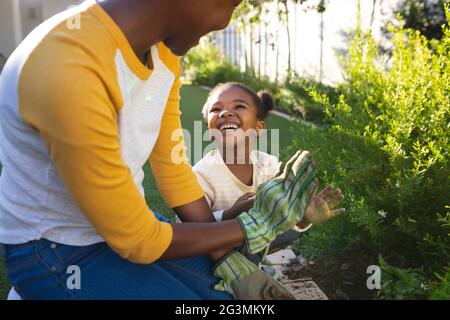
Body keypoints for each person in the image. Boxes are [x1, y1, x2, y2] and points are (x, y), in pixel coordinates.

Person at [0, 0, 343, 300]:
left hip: (128, 225)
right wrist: (254, 224)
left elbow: (173, 167)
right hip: (54, 249)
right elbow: (136, 240)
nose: (225, 21)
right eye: (232, 3)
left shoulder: (164, 56)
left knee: (229, 292)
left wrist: (225, 256)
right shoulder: (68, 68)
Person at [192, 82, 345, 256]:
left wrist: (304, 217)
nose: (225, 113)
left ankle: (254, 265)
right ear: (210, 130)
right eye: (216, 109)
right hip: (215, 255)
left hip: (255, 246)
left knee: (281, 226)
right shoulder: (201, 175)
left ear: (259, 127)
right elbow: (190, 232)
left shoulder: (269, 165)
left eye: (239, 106)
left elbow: (280, 220)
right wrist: (233, 213)